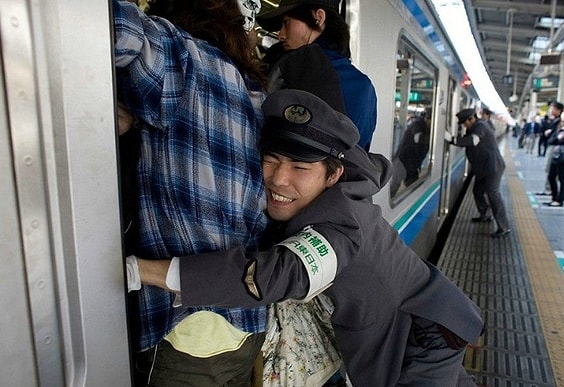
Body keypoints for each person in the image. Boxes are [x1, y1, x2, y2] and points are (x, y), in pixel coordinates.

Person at [128, 89, 484, 386]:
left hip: (419, 338)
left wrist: (142, 271)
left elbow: (271, 277)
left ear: (332, 175)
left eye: (299, 167)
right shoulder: (344, 170)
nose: (279, 179)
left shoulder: (339, 229)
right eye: (271, 158)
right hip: (421, 318)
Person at [113, 0, 270, 385]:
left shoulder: (178, 58)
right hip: (248, 324)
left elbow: (103, 24)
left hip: (187, 330)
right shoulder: (253, 94)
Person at [257, 0, 378, 151]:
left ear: (319, 18)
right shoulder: (365, 86)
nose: (281, 35)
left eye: (286, 23)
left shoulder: (290, 75)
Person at [445, 108, 511, 238]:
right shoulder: (472, 127)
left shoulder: (481, 126)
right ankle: (485, 215)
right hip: (483, 168)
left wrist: (451, 139)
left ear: (472, 119)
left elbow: (472, 141)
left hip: (493, 168)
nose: (464, 125)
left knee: (493, 194)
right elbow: (466, 141)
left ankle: (504, 227)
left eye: (465, 122)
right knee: (477, 191)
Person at [396, 107, 432, 187]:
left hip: (413, 163)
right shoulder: (418, 123)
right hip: (405, 160)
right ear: (427, 118)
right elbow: (417, 138)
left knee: (412, 185)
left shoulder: (427, 127)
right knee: (396, 184)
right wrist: (433, 138)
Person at [536, 101, 564, 196]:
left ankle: (550, 189)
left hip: (554, 147)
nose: (550, 110)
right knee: (548, 168)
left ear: (558, 110)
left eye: (552, 108)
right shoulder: (555, 120)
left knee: (550, 169)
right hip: (551, 145)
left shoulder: (559, 121)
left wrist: (550, 132)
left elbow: (559, 134)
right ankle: (549, 188)